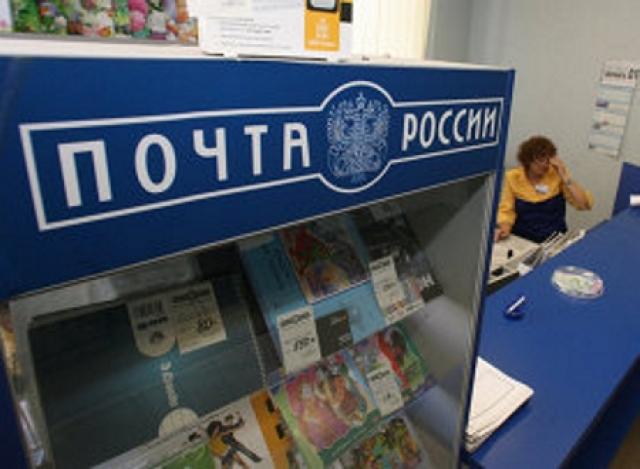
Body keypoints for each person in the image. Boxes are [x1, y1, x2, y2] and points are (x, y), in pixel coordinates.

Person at [495, 136, 593, 243]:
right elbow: (507, 210)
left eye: (548, 160)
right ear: (528, 161)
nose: (545, 165)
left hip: (554, 239)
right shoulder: (513, 177)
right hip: (523, 238)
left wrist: (565, 177)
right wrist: (504, 228)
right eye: (541, 160)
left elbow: (584, 205)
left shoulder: (557, 175)